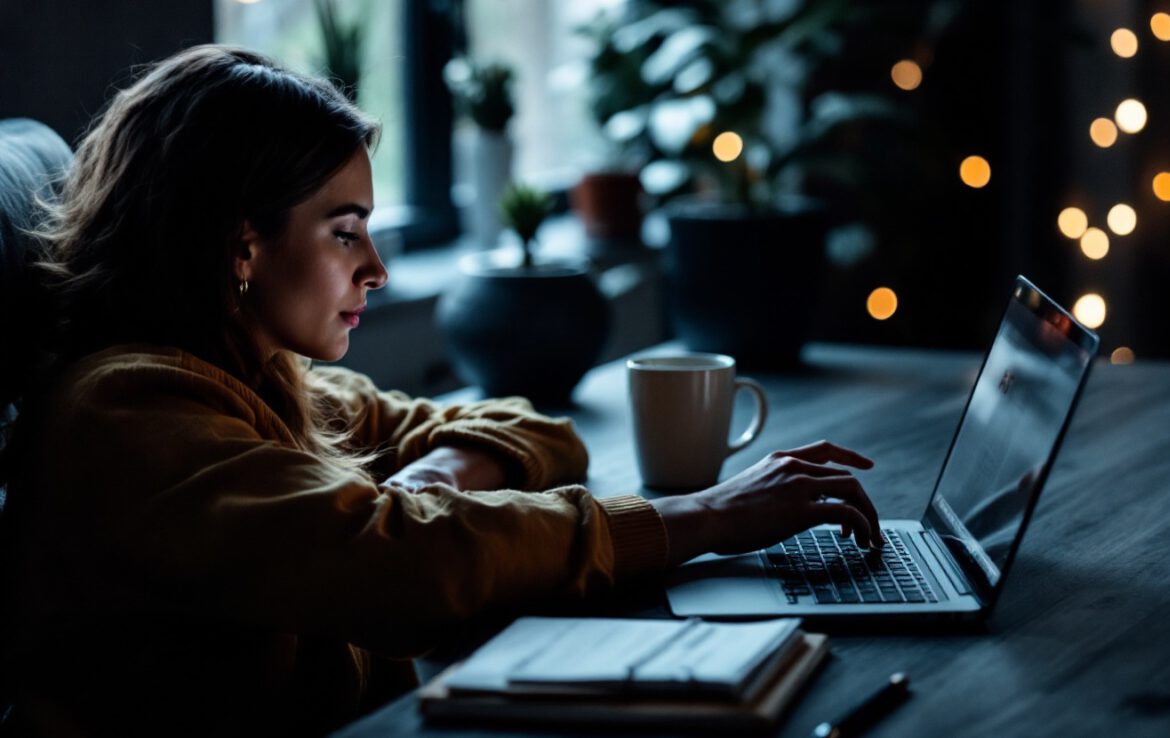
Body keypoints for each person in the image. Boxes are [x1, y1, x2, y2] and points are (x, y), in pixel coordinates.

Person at [0, 45, 882, 736]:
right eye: (345, 233)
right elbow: (405, 565)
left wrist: (423, 486)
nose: (376, 269)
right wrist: (710, 518)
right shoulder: (129, 414)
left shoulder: (264, 379)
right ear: (241, 247)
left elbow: (529, 429)